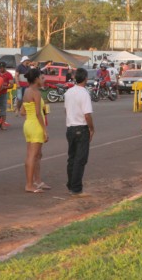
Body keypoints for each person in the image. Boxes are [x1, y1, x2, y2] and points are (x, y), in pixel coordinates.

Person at [64, 67, 95, 198]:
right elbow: (87, 114)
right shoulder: (84, 93)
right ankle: (76, 188)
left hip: (70, 127)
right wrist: (92, 128)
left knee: (72, 158)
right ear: (86, 79)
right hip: (81, 128)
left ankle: (71, 184)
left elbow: (66, 110)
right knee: (80, 159)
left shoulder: (69, 92)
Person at [20, 69, 49, 193]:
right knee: (33, 156)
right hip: (35, 125)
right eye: (42, 78)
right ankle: (29, 184)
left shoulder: (27, 91)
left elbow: (22, 111)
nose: (44, 80)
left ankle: (35, 181)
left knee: (34, 155)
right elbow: (38, 113)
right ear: (36, 79)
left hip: (28, 124)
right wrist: (44, 130)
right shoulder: (36, 93)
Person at [0, 62, 14, 129]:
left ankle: (2, 124)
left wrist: (5, 87)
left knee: (3, 109)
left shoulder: (9, 74)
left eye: (2, 67)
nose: (1, 69)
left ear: (5, 67)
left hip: (3, 93)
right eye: (0, 68)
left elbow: (11, 85)